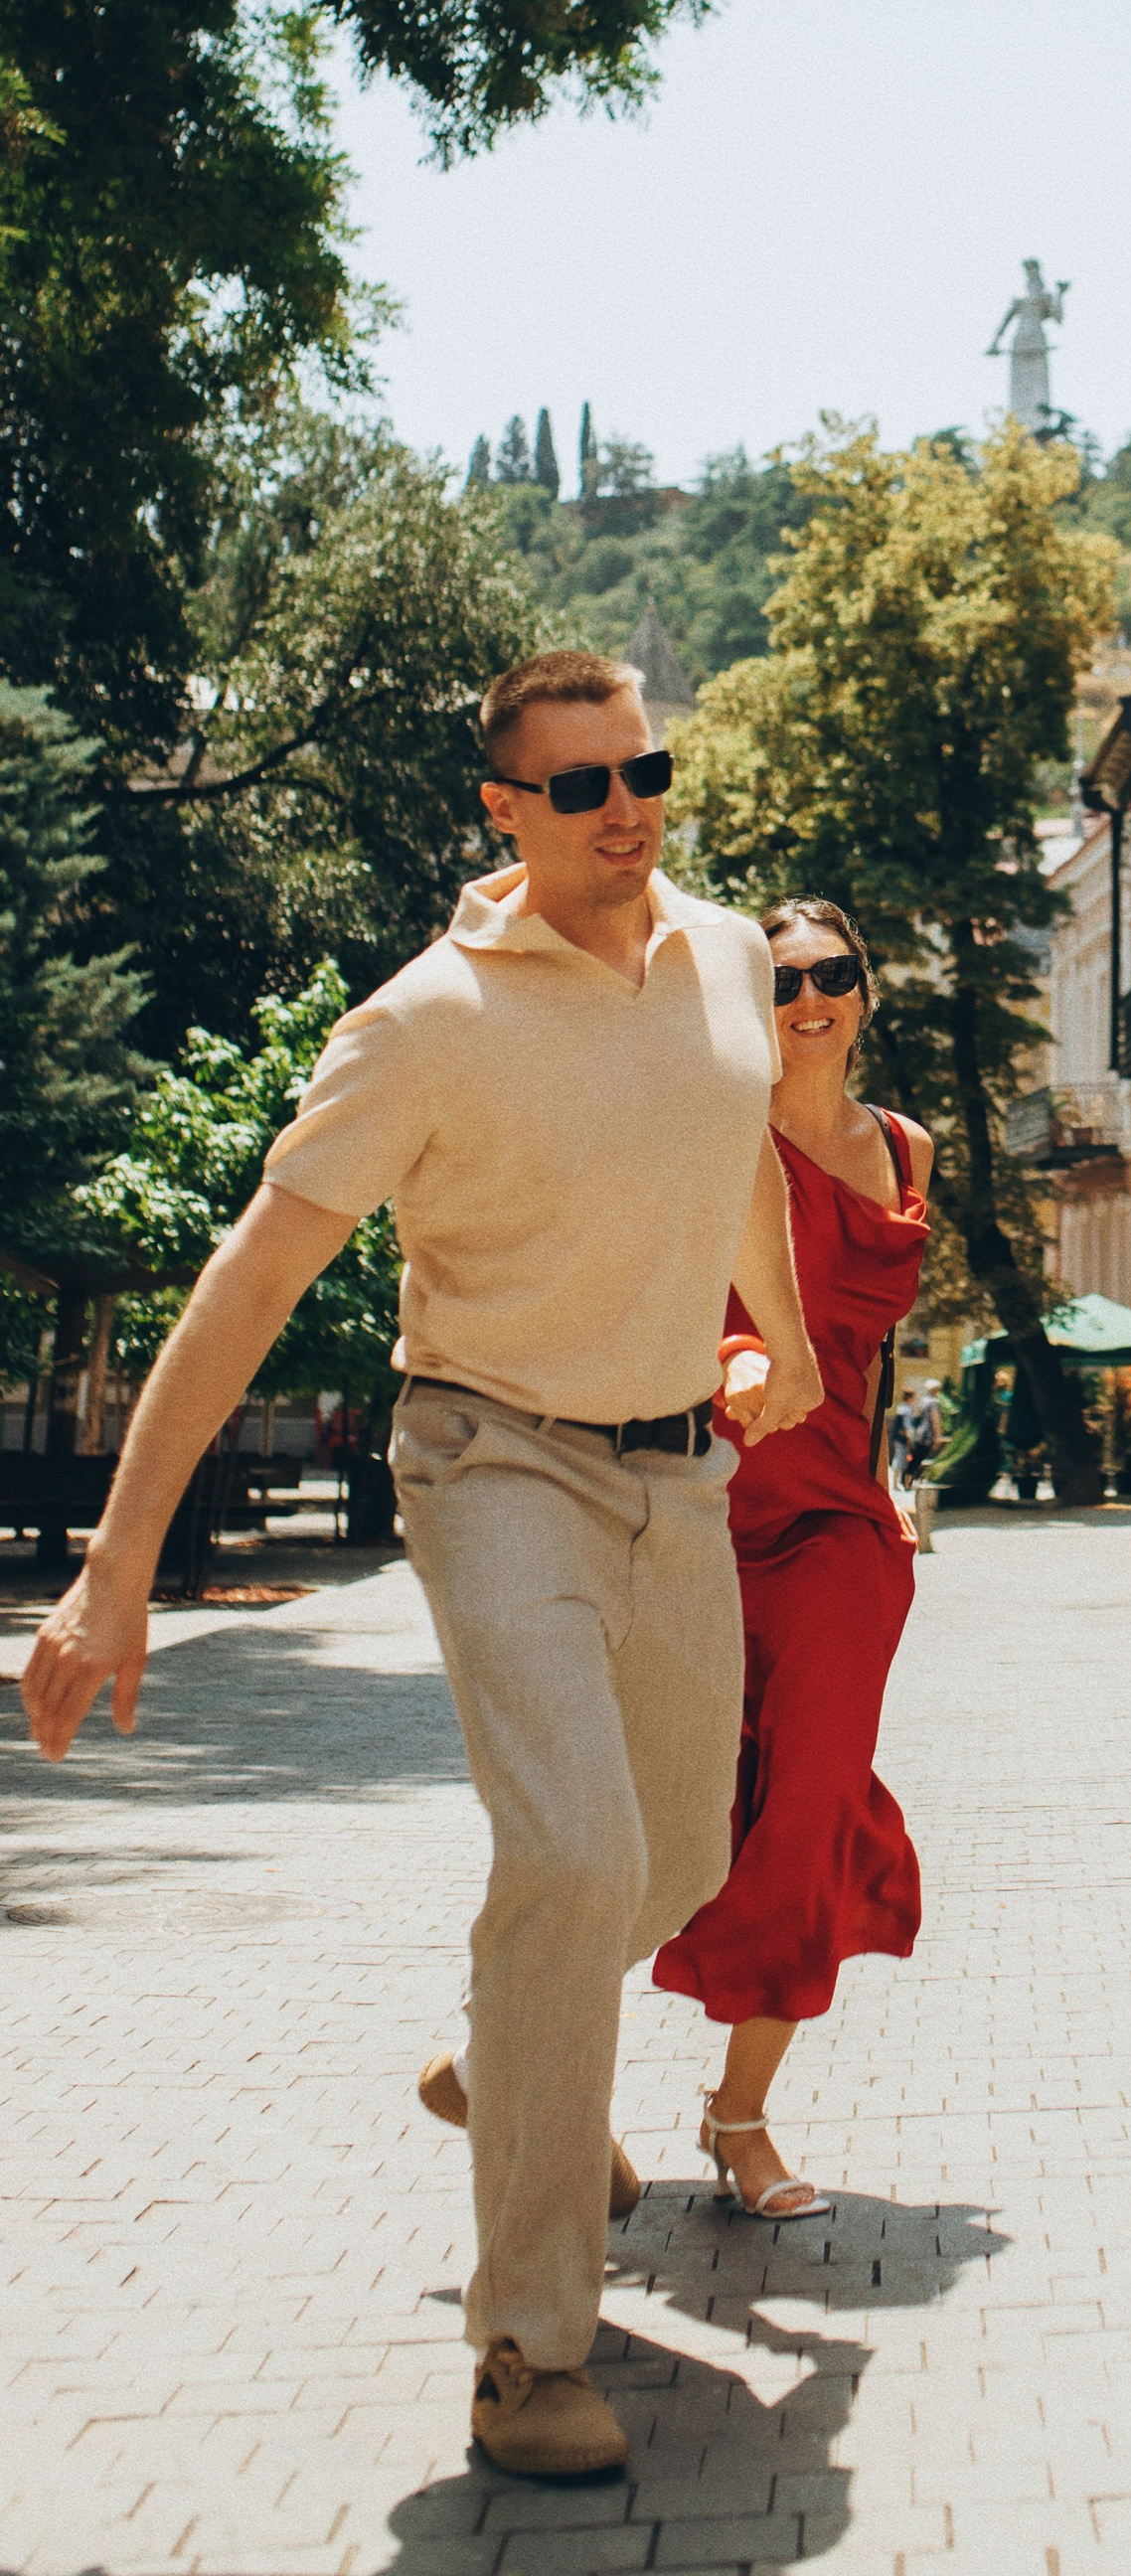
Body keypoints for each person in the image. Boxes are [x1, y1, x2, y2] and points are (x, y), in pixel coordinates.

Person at [17, 649, 823, 2486]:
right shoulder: (427, 1021)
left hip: (676, 1472)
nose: (632, 805)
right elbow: (254, 1277)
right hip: (491, 1459)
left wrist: (781, 1340)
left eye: (649, 768)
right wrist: (114, 1567)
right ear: (506, 812)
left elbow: (743, 1158)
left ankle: (511, 2056)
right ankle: (527, 2349)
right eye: (585, 785)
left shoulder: (715, 954)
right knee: (574, 1855)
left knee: (685, 1855)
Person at [651, 899, 931, 2220]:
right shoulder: (707, 1130)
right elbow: (652, 1307)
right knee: (667, 1816)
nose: (809, 999)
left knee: (810, 1802)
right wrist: (737, 1357)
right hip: (698, 1512)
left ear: (865, 991)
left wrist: (896, 1489)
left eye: (833, 975)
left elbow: (873, 1366)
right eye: (781, 979)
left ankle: (740, 2113)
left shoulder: (906, 1148)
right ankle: (531, 2059)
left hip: (836, 1530)